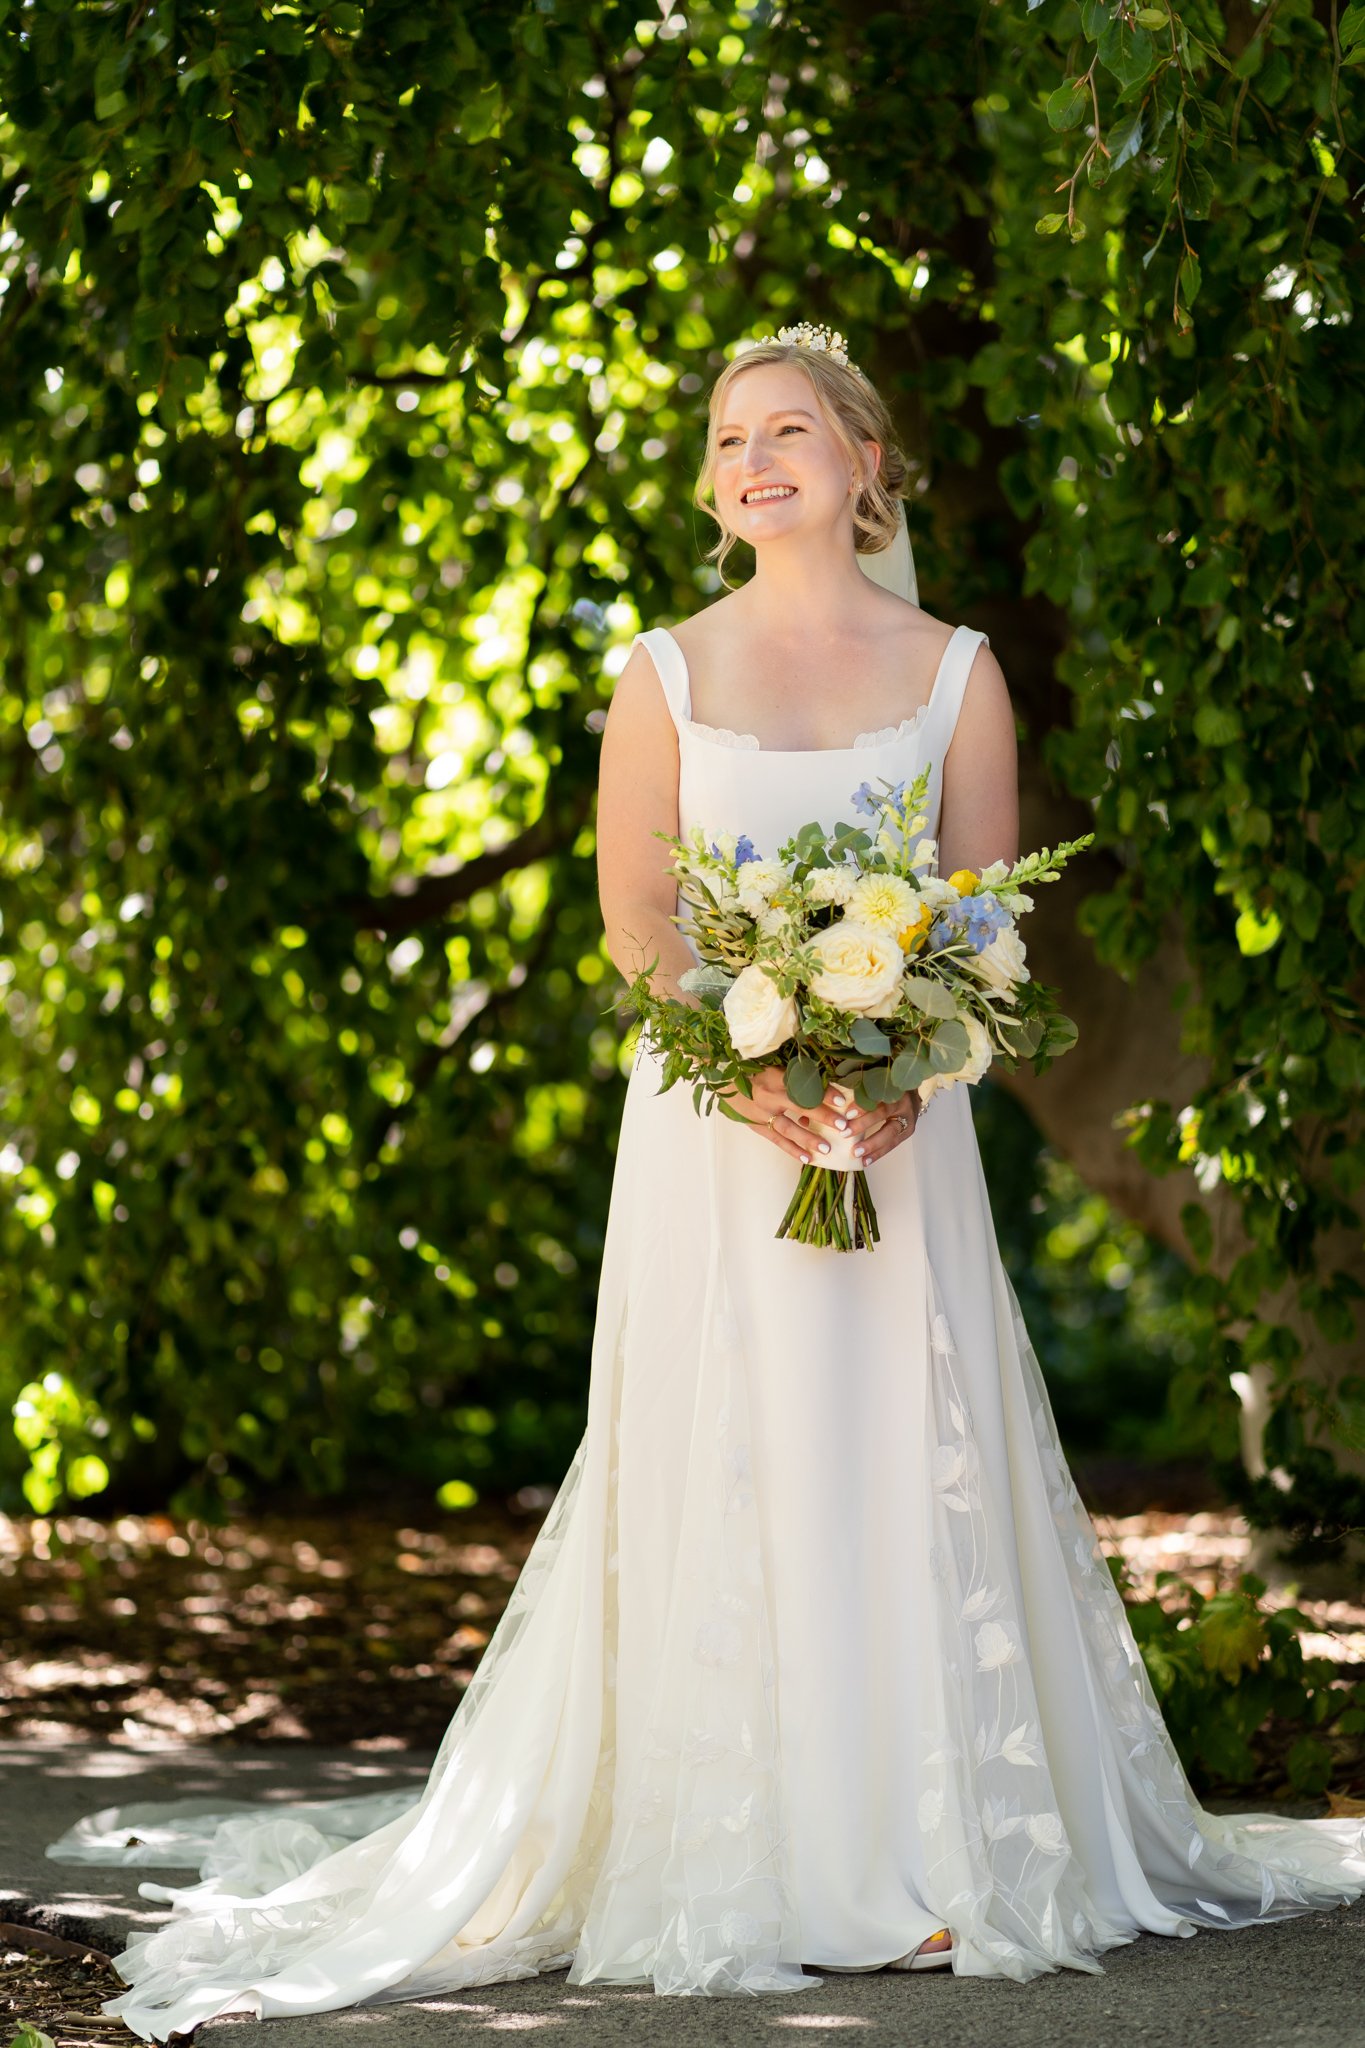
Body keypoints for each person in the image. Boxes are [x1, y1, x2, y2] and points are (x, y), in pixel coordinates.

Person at [46, 325, 1365, 2039]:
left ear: (862, 460)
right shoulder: (660, 674)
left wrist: (904, 1062)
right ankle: (743, 1847)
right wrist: (748, 1067)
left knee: (902, 1447)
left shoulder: (957, 668)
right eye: (731, 436)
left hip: (904, 1132)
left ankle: (933, 1862)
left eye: (791, 428)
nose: (755, 459)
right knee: (729, 1449)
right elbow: (635, 922)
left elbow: (977, 910)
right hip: (711, 1131)